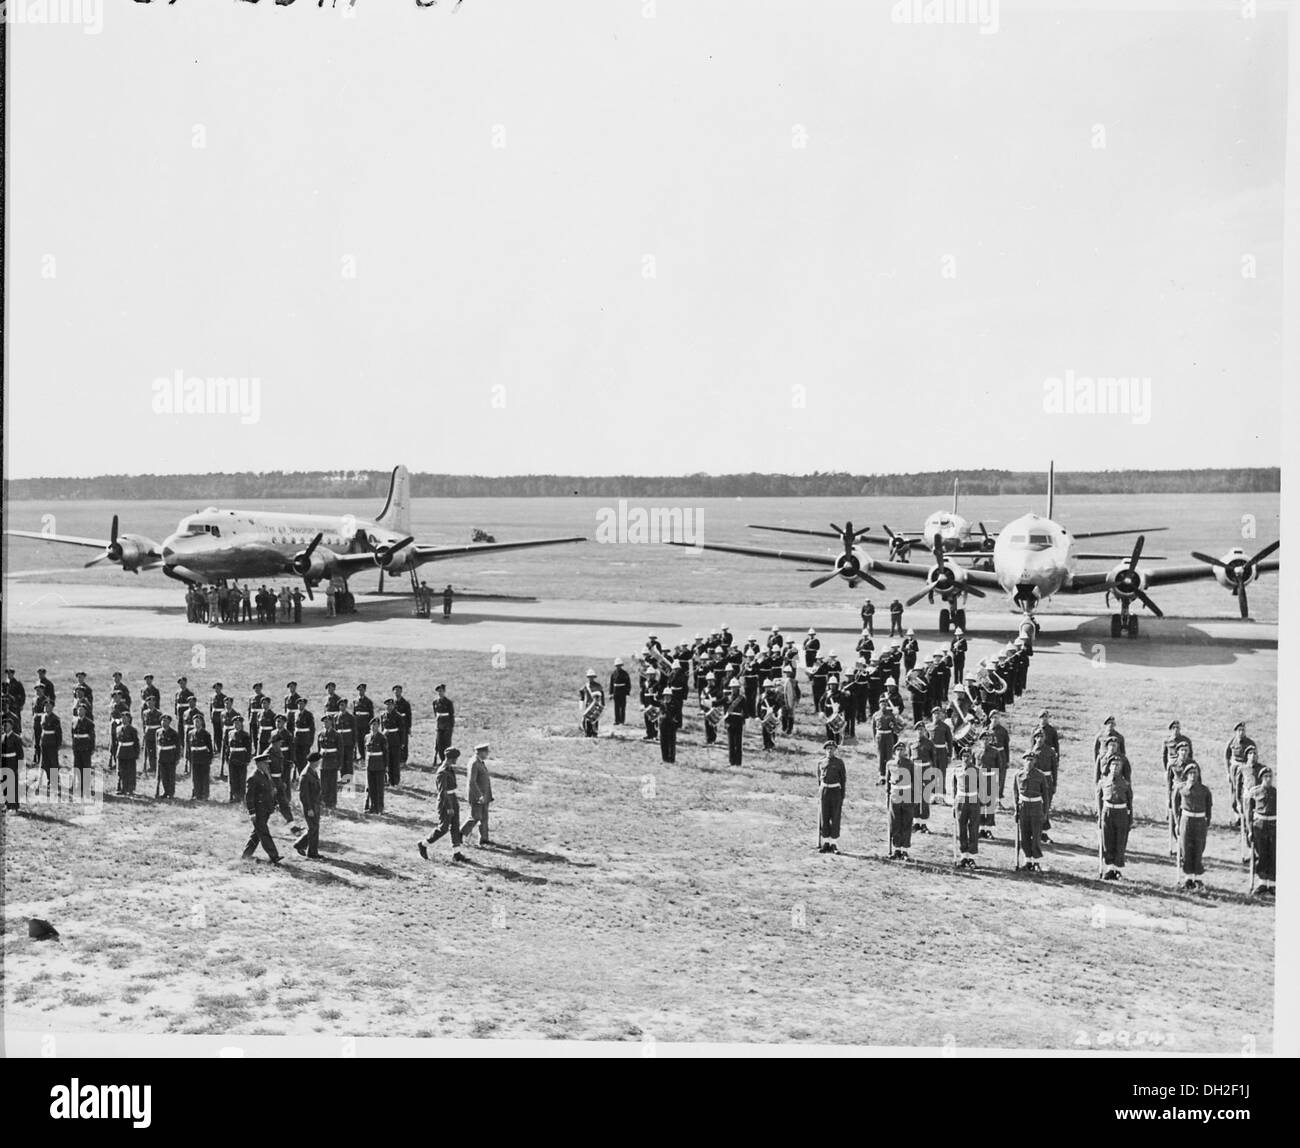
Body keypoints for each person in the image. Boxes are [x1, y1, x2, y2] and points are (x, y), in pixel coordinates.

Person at [418, 747, 466, 862]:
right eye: (455, 758)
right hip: (446, 801)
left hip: (453, 798)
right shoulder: (442, 772)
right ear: (451, 758)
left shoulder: (449, 768)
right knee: (443, 828)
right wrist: (449, 807)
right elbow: (442, 791)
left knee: (455, 826)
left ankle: (457, 853)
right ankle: (424, 844)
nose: (456, 760)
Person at [1173, 762, 1213, 891]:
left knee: (1199, 848)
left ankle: (1197, 878)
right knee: (1186, 848)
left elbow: (1209, 807)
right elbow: (1175, 806)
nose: (1192, 776)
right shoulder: (1180, 788)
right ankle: (1188, 877)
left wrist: (1207, 821)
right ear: (1186, 775)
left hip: (1200, 821)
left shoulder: (1204, 790)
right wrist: (1177, 823)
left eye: (1195, 773)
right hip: (1186, 820)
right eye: (1190, 773)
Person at [1097, 753, 1133, 880]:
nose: (1115, 767)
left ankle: (1117, 869)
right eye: (1113, 764)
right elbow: (1099, 801)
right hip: (1107, 812)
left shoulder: (1126, 784)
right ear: (1109, 766)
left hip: (1121, 813)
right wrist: (1100, 817)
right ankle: (1109, 868)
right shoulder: (1102, 782)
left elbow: (1130, 802)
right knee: (1107, 840)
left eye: (1118, 765)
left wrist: (1130, 819)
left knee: (1120, 841)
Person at [242, 754, 283, 864]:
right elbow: (249, 797)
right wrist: (252, 813)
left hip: (266, 809)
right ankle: (274, 856)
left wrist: (274, 803)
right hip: (258, 810)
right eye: (265, 763)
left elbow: (269, 791)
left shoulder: (264, 775)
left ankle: (246, 855)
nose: (267, 765)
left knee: (257, 833)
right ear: (259, 764)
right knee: (264, 833)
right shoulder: (253, 777)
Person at [1013, 751, 1049, 872]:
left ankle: (1036, 861)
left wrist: (1045, 812)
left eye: (1031, 760)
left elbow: (1046, 795)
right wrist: (1016, 810)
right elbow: (1016, 794)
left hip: (1036, 806)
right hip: (1023, 807)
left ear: (1035, 761)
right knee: (1024, 835)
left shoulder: (1040, 776)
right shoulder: (1018, 775)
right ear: (1023, 760)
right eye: (1027, 759)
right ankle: (1027, 860)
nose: (1029, 762)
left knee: (1036, 835)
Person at [1245, 766, 1276, 897]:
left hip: (1274, 825)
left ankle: (1273, 884)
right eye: (1265, 777)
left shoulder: (1276, 792)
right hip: (1260, 825)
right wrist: (1249, 830)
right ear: (1261, 778)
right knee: (1261, 853)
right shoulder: (1255, 792)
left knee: (1273, 853)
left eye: (1270, 777)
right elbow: (1248, 813)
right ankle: (1262, 883)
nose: (1268, 779)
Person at [950, 747, 982, 868]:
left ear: (971, 757)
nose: (965, 758)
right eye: (963, 756)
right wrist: (954, 804)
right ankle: (964, 856)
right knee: (961, 828)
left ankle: (972, 857)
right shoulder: (957, 770)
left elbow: (981, 787)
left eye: (968, 756)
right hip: (960, 800)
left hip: (973, 800)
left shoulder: (977, 771)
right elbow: (954, 788)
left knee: (973, 828)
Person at [460, 742, 494, 846]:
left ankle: (483, 839)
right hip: (477, 796)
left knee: (484, 817)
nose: (487, 754)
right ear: (481, 752)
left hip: (484, 795)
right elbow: (472, 781)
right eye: (486, 752)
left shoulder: (480, 761)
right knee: (475, 817)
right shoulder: (474, 763)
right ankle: (459, 834)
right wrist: (479, 795)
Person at [818, 741, 846, 854]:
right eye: (828, 748)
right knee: (824, 817)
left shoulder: (839, 763)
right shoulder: (821, 762)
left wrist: (842, 795)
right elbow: (819, 779)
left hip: (835, 791)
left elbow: (843, 780)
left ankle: (834, 843)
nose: (830, 750)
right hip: (824, 791)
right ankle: (825, 842)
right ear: (825, 750)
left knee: (835, 817)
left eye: (832, 748)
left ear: (835, 750)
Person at [885, 746, 913, 860]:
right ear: (894, 751)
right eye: (897, 750)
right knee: (895, 822)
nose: (900, 752)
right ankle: (896, 848)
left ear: (905, 751)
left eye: (902, 750)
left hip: (907, 794)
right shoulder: (890, 764)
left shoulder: (910, 764)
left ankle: (905, 849)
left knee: (906, 822)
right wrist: (887, 795)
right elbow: (888, 781)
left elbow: (916, 781)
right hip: (895, 794)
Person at [295, 752, 323, 859]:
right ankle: (311, 852)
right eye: (319, 761)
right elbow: (304, 795)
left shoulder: (312, 771)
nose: (319, 763)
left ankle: (305, 848)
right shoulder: (305, 775)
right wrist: (309, 809)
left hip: (315, 805)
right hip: (310, 806)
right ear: (314, 762)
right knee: (313, 828)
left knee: (314, 828)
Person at [70, 702, 95, 801]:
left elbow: (92, 737)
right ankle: (78, 785)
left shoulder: (89, 723)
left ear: (85, 711)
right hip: (77, 747)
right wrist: (73, 746)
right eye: (78, 710)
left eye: (82, 710)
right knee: (77, 766)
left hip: (85, 747)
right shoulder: (74, 721)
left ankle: (86, 787)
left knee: (86, 767)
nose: (80, 711)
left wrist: (92, 748)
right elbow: (73, 734)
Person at [225, 714, 252, 804]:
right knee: (232, 778)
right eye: (235, 723)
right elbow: (227, 747)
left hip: (241, 759)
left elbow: (248, 749)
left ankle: (241, 797)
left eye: (238, 723)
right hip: (232, 758)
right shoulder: (230, 733)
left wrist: (247, 760)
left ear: (242, 724)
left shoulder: (245, 735)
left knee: (241, 779)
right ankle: (233, 796)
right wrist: (227, 757)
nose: (236, 725)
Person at [187, 713, 215, 800]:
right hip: (194, 758)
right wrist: (188, 757)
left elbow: (210, 748)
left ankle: (204, 794)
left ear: (202, 723)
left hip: (203, 758)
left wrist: (210, 758)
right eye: (195, 722)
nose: (196, 723)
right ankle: (196, 794)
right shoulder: (190, 733)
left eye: (198, 722)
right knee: (195, 777)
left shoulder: (206, 734)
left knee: (204, 777)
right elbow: (188, 747)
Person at [317, 713, 342, 808]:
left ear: (331, 722)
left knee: (332, 783)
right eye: (324, 722)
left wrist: (339, 763)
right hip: (323, 762)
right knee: (323, 783)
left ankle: (332, 802)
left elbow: (340, 750)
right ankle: (323, 801)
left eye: (327, 721)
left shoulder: (337, 735)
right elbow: (319, 749)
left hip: (333, 761)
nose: (325, 723)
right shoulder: (320, 734)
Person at [364, 718, 387, 814]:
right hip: (370, 765)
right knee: (371, 787)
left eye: (376, 725)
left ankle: (380, 808)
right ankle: (372, 807)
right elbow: (366, 751)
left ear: (379, 726)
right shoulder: (367, 737)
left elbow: (385, 753)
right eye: (373, 725)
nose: (374, 727)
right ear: (370, 726)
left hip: (379, 765)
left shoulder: (382, 738)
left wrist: (385, 766)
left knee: (379, 788)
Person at [2, 714, 25, 810]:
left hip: (12, 763)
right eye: (3, 725)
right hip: (4, 763)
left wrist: (19, 767)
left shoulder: (16, 738)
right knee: (5, 784)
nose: (4, 726)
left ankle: (14, 806)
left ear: (11, 726)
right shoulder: (2, 737)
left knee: (13, 785)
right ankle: (7, 804)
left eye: (6, 725)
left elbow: (20, 754)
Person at [156, 714, 181, 799]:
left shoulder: (174, 733)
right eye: (162, 721)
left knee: (171, 776)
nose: (163, 722)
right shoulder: (158, 732)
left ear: (169, 722)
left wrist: (177, 758)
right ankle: (165, 792)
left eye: (165, 721)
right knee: (163, 776)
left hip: (170, 757)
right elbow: (157, 745)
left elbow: (177, 747)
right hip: (161, 757)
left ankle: (171, 793)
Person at [724, 680, 746, 766]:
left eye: (735, 687)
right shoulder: (727, 698)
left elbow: (746, 711)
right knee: (731, 744)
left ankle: (738, 762)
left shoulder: (742, 699)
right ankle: (731, 761)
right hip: (730, 721)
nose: (733, 689)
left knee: (738, 743)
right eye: (732, 688)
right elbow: (725, 710)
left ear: (738, 688)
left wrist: (743, 718)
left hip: (738, 721)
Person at [579, 671, 605, 738]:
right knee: (587, 720)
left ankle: (594, 733)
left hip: (595, 705)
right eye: (589, 677)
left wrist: (603, 703)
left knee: (594, 719)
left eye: (592, 677)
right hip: (588, 704)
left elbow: (602, 695)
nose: (591, 678)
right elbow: (581, 694)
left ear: (594, 677)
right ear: (588, 677)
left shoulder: (598, 685)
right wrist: (581, 704)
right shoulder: (586, 686)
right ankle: (588, 733)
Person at [659, 687, 681, 763]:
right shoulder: (662, 703)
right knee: (663, 742)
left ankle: (671, 759)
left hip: (671, 725)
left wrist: (678, 724)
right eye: (665, 695)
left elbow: (679, 714)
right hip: (663, 725)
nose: (667, 697)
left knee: (671, 743)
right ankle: (664, 758)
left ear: (671, 696)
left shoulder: (675, 703)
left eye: (668, 695)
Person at [609, 658, 632, 725]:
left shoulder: (625, 673)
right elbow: (611, 684)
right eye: (617, 665)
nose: (618, 667)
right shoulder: (613, 673)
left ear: (621, 665)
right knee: (616, 707)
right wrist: (611, 693)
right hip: (616, 691)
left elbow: (628, 683)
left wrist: (627, 691)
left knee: (622, 707)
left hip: (622, 691)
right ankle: (617, 720)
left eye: (619, 665)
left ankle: (622, 721)